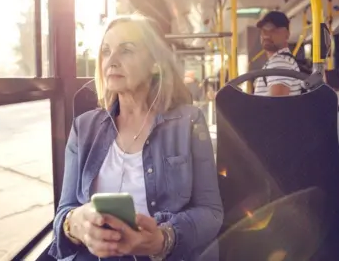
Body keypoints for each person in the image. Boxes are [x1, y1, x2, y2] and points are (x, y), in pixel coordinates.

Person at [48, 13, 223, 261]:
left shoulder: (188, 121)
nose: (111, 61)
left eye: (126, 50)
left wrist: (163, 238)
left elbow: (211, 212)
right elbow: (65, 210)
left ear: (155, 64)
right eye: (106, 51)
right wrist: (75, 224)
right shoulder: (83, 128)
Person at [253, 11, 302, 96]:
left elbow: (277, 105)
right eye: (263, 30)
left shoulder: (280, 63)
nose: (266, 35)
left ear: (286, 34)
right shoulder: (280, 61)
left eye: (273, 30)